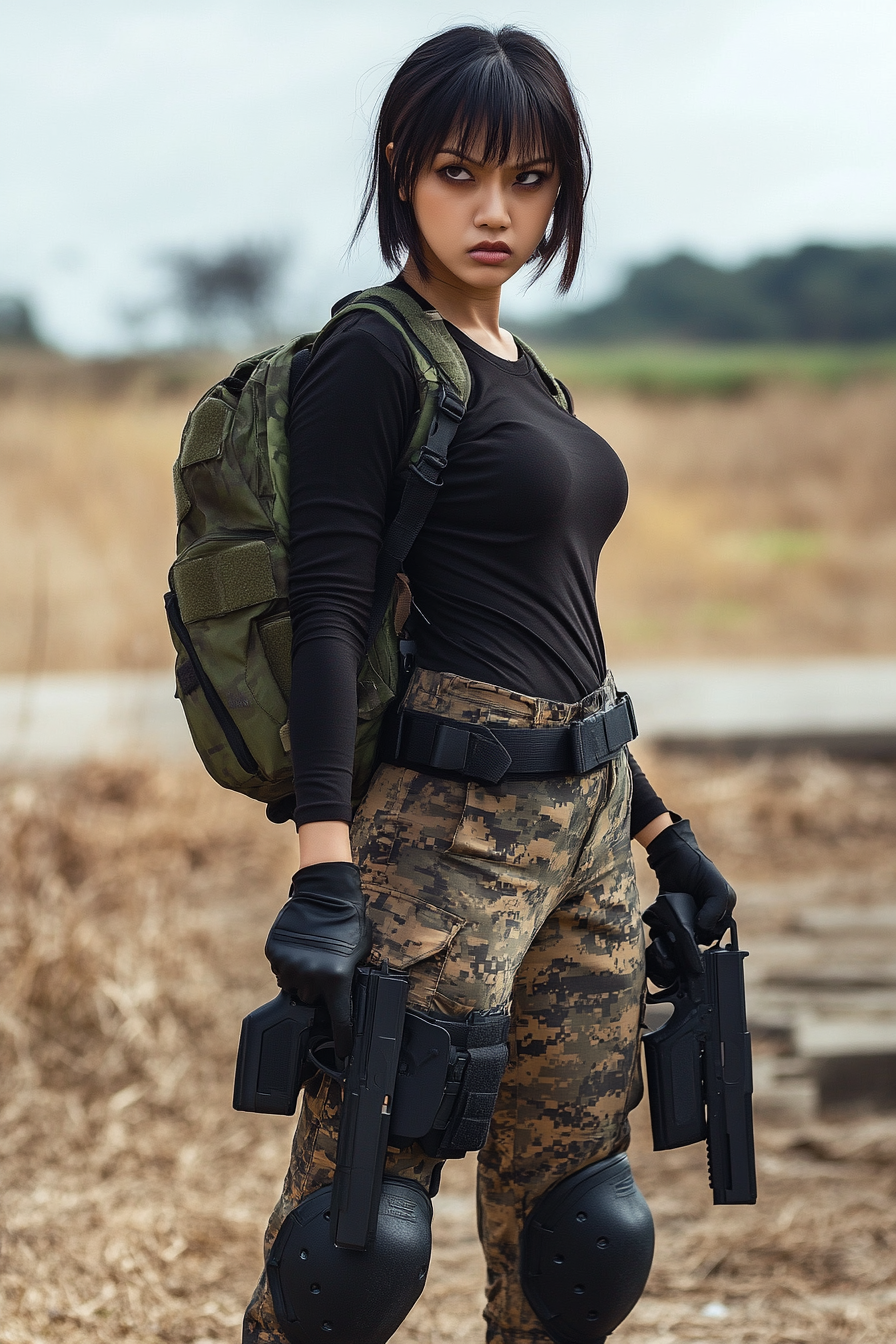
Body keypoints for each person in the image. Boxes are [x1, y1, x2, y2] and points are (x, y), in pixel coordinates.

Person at [244, 24, 735, 1344]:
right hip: (441, 844)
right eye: (462, 173)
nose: (496, 211)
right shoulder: (374, 356)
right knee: (353, 1253)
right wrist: (326, 869)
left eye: (530, 181)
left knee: (580, 1234)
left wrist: (658, 828)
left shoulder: (527, 373)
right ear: (402, 169)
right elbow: (334, 618)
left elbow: (558, 635)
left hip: (584, 834)